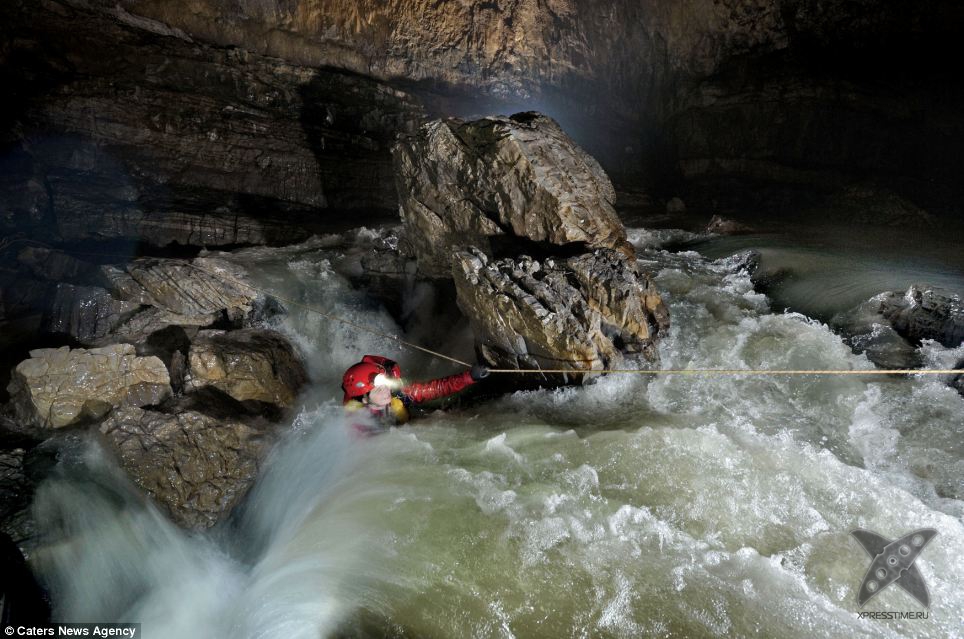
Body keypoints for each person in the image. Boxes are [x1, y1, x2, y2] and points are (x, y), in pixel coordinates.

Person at [341, 355, 489, 429]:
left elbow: (434, 389)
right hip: (391, 435)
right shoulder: (357, 424)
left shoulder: (398, 395)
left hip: (404, 422)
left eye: (385, 385)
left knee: (451, 415)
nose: (386, 391)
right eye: (379, 389)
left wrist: (469, 377)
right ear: (365, 399)